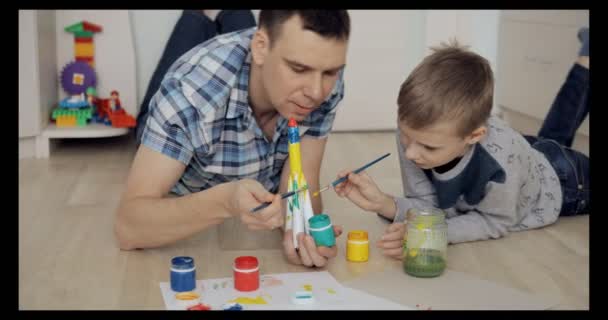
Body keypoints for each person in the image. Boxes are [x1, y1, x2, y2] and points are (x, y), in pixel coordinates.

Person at [115, 10, 351, 268]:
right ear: (260, 48)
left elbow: (302, 185)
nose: (316, 92)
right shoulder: (189, 94)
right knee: (197, 28)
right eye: (298, 68)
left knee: (245, 29)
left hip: (246, 70)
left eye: (330, 72)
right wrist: (225, 202)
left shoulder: (322, 82)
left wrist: (300, 229)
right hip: (187, 126)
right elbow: (129, 227)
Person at [333, 35, 589, 260]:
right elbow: (429, 205)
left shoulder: (499, 162)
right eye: (406, 138)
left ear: (474, 136)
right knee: (556, 132)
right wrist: (384, 204)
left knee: (556, 138)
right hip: (526, 157)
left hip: (565, 180)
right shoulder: (417, 132)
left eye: (429, 148)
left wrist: (432, 233)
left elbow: (495, 221)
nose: (410, 153)